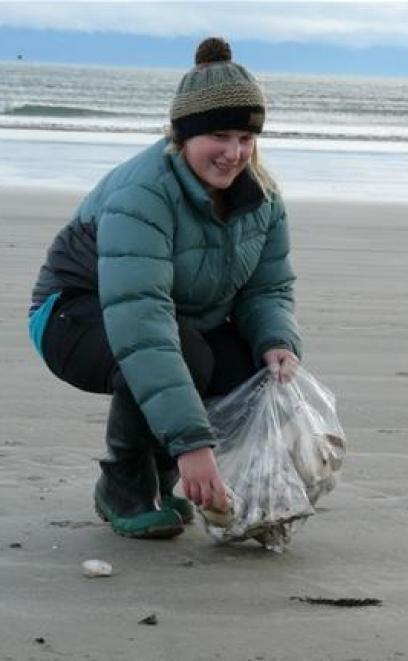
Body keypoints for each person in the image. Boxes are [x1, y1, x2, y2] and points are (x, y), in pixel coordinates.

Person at [28, 37, 302, 540]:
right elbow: (143, 325)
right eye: (218, 135)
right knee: (186, 354)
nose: (234, 153)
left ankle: (171, 482)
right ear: (182, 134)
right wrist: (193, 444)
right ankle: (124, 484)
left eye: (246, 137)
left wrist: (277, 342)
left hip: (175, 324)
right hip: (72, 317)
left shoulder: (263, 199)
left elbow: (269, 289)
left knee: (251, 371)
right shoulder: (144, 193)